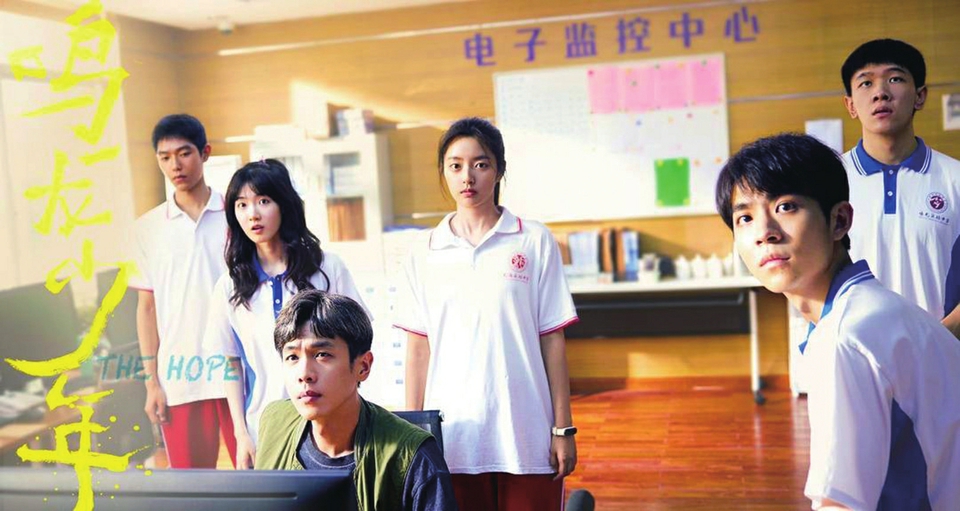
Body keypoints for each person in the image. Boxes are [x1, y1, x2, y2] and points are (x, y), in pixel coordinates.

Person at [716, 133, 960, 510]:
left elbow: (841, 504)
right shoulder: (876, 307)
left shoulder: (845, 336)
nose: (765, 233)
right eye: (745, 217)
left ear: (839, 221)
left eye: (786, 206)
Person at [394, 117, 578, 510]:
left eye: (481, 164)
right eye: (455, 165)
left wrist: (563, 428)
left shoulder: (533, 240)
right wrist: (412, 433)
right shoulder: (423, 251)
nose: (468, 177)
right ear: (444, 172)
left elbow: (552, 340)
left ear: (499, 170)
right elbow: (418, 349)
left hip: (526, 435)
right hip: (453, 439)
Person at [204, 158, 367, 469]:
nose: (252, 214)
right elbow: (230, 365)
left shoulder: (327, 268)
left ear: (284, 205)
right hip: (265, 430)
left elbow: (358, 346)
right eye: (242, 205)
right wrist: (241, 434)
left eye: (263, 201)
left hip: (333, 427)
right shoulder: (230, 286)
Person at [256, 289, 458, 511]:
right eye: (292, 357)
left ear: (363, 366)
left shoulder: (413, 456)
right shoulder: (274, 423)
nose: (304, 374)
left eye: (322, 354)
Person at [128, 114, 237, 468]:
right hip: (180, 377)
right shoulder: (146, 229)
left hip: (238, 369)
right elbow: (146, 309)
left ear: (205, 153)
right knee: (192, 486)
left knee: (256, 479)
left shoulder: (237, 216)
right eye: (165, 157)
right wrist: (152, 384)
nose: (175, 165)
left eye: (184, 153)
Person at [840, 38, 960, 337]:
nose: (880, 92)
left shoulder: (955, 178)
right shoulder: (826, 180)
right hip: (855, 352)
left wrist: (940, 337)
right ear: (851, 105)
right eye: (866, 83)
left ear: (920, 96)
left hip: (943, 349)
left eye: (894, 79)